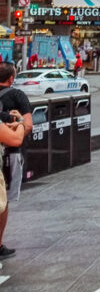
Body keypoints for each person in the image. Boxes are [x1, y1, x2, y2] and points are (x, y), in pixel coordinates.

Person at [0, 63, 33, 260]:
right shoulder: (17, 95)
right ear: (12, 79)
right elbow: (27, 125)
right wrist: (18, 124)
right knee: (4, 201)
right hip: (11, 154)